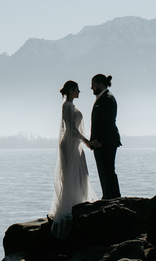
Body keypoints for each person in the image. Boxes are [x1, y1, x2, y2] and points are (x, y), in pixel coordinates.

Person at [47, 80, 98, 238]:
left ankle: (77, 202)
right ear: (71, 91)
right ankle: (71, 205)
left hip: (74, 144)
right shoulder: (67, 106)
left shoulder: (70, 106)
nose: (79, 91)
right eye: (77, 89)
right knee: (72, 173)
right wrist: (87, 141)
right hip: (70, 145)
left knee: (79, 173)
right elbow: (72, 130)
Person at [89, 73, 121, 198]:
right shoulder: (102, 98)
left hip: (107, 142)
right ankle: (107, 196)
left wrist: (100, 141)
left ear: (100, 84)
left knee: (108, 170)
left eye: (93, 85)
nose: (91, 88)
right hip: (99, 143)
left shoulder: (108, 98)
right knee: (103, 171)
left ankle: (114, 197)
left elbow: (109, 122)